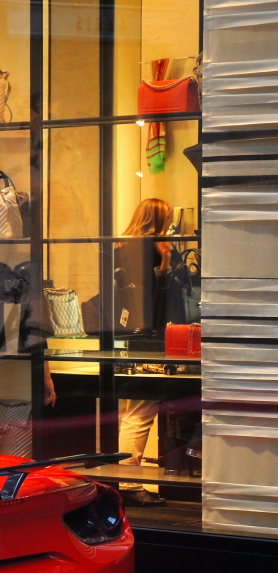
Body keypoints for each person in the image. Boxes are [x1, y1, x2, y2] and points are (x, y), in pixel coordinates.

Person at [116, 198, 173, 506]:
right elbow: (160, 299)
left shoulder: (121, 247)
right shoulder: (153, 248)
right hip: (148, 339)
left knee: (130, 412)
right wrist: (166, 262)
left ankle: (126, 479)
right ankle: (129, 482)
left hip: (125, 338)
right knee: (140, 412)